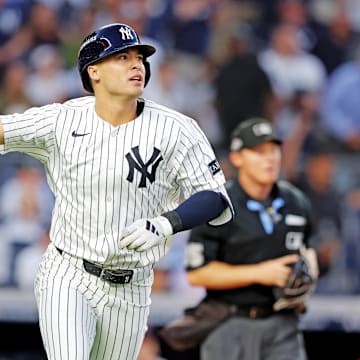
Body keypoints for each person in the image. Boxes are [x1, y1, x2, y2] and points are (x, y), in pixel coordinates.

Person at [0, 23, 233, 360]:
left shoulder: (176, 129)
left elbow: (215, 196)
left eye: (139, 57)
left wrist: (166, 224)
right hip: (69, 273)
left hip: (133, 287)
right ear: (93, 71)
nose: (136, 65)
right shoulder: (62, 121)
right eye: (121, 57)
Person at [185, 117, 316, 360]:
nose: (270, 158)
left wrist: (309, 274)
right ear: (237, 158)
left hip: (284, 323)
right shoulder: (217, 204)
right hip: (229, 322)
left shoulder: (296, 202)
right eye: (259, 151)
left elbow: (309, 251)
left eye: (274, 150)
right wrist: (259, 272)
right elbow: (197, 274)